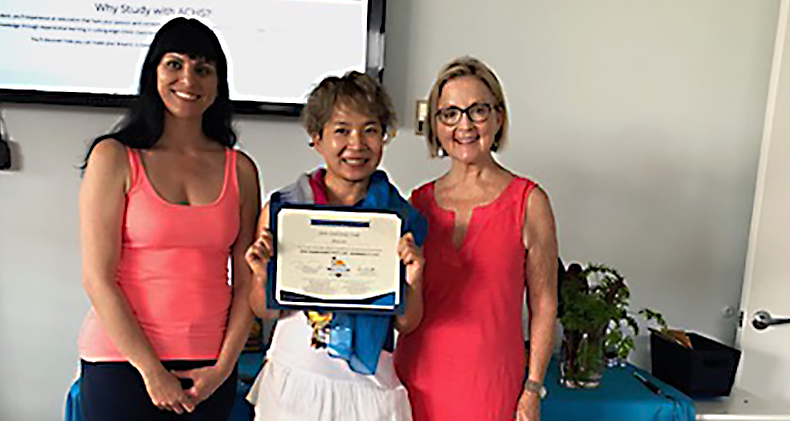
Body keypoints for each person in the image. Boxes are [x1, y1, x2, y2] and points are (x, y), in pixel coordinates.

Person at [76, 17, 260, 420]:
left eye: (203, 69)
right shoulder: (113, 157)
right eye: (174, 64)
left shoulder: (240, 169)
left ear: (218, 84)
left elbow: (247, 279)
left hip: (208, 368)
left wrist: (224, 367)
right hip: (121, 363)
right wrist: (151, 371)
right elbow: (97, 278)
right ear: (153, 74)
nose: (189, 79)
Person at [244, 71, 426, 421]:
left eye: (370, 130)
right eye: (341, 130)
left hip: (370, 387)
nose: (356, 144)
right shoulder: (284, 209)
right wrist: (259, 276)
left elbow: (406, 323)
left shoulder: (400, 218)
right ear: (317, 137)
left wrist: (414, 280)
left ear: (384, 137)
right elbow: (266, 310)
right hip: (295, 380)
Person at [393, 57, 559, 421]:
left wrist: (533, 388)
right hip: (415, 381)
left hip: (493, 386)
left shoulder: (529, 203)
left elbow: (545, 305)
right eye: (449, 113)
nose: (464, 124)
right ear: (435, 126)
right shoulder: (415, 204)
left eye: (477, 111)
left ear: (498, 118)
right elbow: (402, 303)